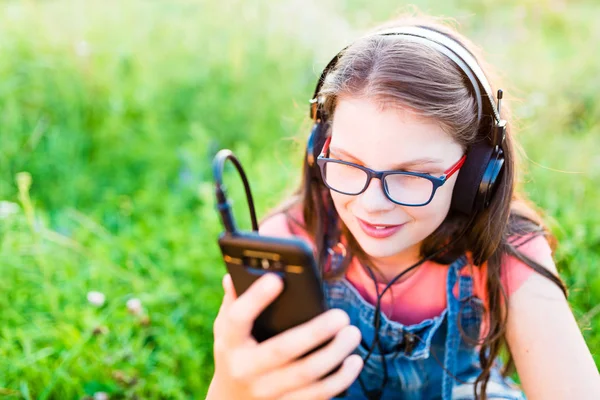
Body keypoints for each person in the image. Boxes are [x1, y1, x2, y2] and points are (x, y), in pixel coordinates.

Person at [206, 13, 600, 400]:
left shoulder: (503, 250)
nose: (371, 204)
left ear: (477, 174)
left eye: (412, 175)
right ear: (318, 151)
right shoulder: (292, 240)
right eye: (347, 163)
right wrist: (230, 386)